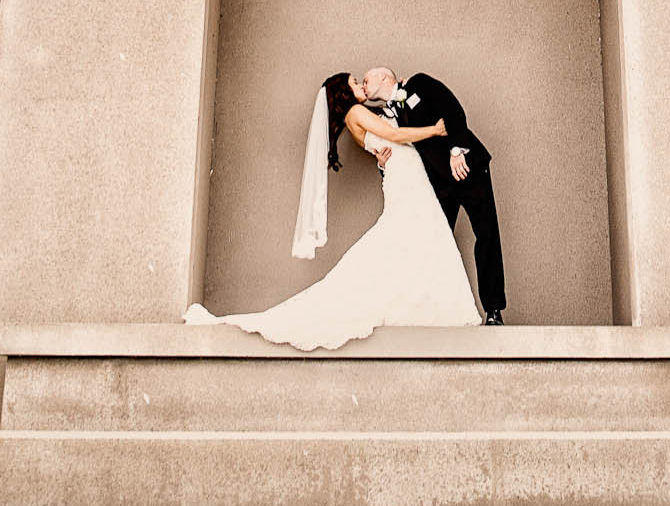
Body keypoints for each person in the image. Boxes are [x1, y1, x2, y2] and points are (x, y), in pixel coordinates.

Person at [184, 72, 484, 349]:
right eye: (356, 82)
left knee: (415, 238)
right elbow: (393, 137)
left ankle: (423, 304)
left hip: (407, 177)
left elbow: (384, 145)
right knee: (409, 236)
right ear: (343, 93)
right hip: (407, 181)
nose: (362, 86)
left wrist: (383, 158)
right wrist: (433, 130)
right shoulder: (357, 113)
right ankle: (424, 305)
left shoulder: (359, 118)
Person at [362, 67, 505, 325]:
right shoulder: (388, 115)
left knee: (486, 235)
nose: (363, 83)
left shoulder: (420, 83)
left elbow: (453, 111)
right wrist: (383, 165)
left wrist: (456, 150)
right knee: (435, 243)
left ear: (384, 77)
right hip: (441, 185)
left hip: (468, 169)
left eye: (366, 79)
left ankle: (494, 311)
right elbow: (401, 150)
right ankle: (436, 313)